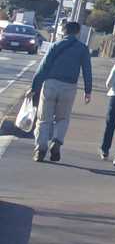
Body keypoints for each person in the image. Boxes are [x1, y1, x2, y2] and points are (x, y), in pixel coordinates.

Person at [30, 20, 93, 163]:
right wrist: (88, 91)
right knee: (62, 118)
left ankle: (40, 149)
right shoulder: (83, 49)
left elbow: (43, 67)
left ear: (64, 31)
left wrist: (34, 87)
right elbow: (87, 70)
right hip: (69, 87)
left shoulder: (55, 45)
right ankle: (57, 142)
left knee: (44, 119)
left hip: (50, 84)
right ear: (78, 33)